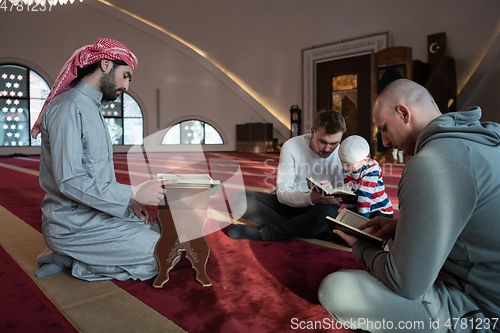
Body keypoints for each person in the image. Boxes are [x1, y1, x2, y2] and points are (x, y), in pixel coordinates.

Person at [318, 79, 500, 332]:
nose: (385, 141)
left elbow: (404, 282)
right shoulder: (483, 141)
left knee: (337, 289)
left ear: (404, 113)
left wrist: (360, 247)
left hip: (482, 310)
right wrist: (400, 225)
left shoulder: (432, 162)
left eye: (384, 128)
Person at [32, 38, 175, 281]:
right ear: (106, 65)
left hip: (98, 213)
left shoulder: (91, 107)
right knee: (162, 255)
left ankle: (79, 255)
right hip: (73, 225)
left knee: (163, 232)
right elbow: (70, 182)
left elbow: (96, 174)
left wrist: (128, 205)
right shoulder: (68, 108)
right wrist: (133, 193)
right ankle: (72, 260)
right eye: (126, 76)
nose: (127, 86)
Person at [228, 110, 345, 241]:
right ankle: (312, 230)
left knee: (328, 213)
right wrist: (310, 198)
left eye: (334, 143)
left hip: (316, 210)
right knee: (240, 200)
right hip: (288, 204)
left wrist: (332, 196)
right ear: (313, 132)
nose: (327, 149)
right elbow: (283, 193)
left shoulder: (341, 152)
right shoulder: (291, 146)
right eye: (323, 141)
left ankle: (264, 234)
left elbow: (340, 198)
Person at [337, 135, 393, 219]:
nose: (344, 167)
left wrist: (362, 219)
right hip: (361, 206)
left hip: (378, 210)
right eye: (342, 162)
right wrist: (349, 213)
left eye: (348, 164)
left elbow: (364, 195)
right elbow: (350, 193)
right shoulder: (348, 169)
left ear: (364, 160)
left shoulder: (372, 168)